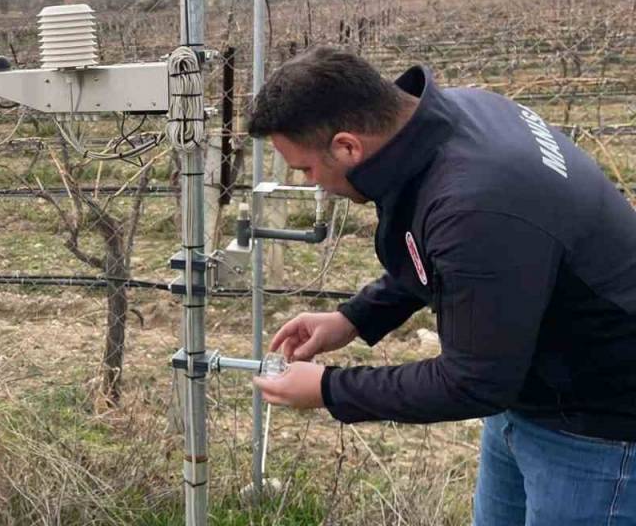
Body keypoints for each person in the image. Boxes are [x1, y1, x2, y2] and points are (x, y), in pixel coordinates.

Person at [245, 46, 636, 525]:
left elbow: (473, 382)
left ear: (348, 146)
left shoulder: (477, 201)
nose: (311, 184)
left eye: (305, 169)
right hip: (536, 392)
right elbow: (445, 251)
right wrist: (355, 317)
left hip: (599, 431)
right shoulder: (460, 116)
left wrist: (330, 388)